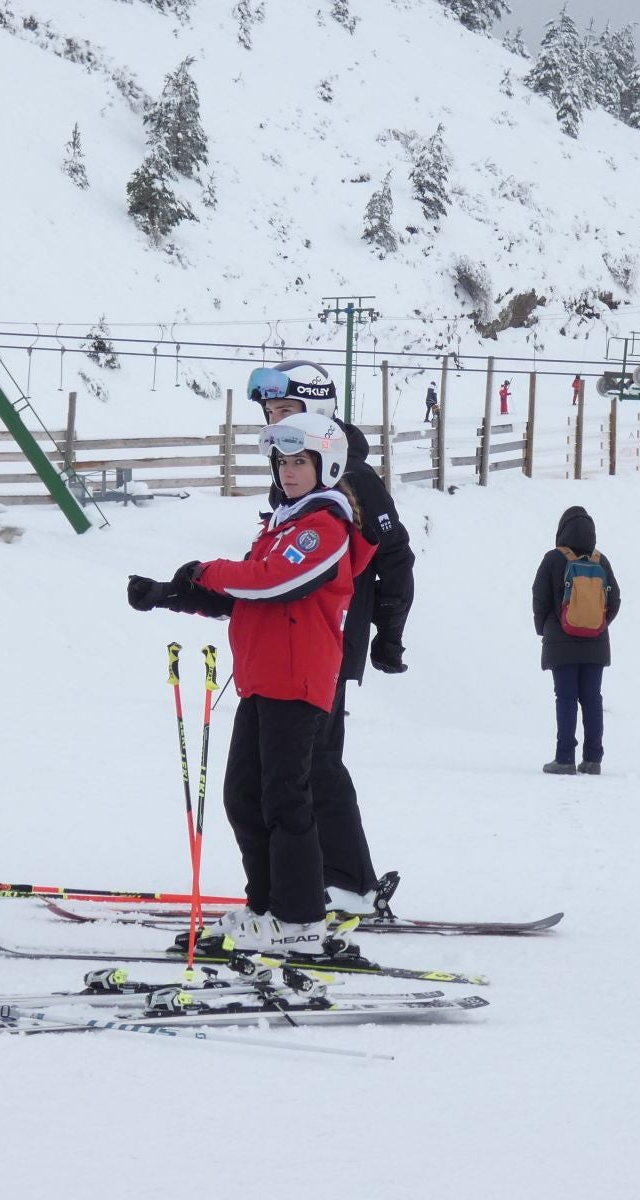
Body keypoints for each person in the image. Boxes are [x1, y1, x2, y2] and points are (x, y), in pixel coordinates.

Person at [126, 410, 376, 957]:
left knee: (286, 800)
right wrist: (171, 592)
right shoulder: (283, 525)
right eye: (283, 462)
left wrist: (208, 570)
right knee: (244, 797)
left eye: (300, 463)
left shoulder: (326, 528)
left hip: (299, 682)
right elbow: (241, 594)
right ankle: (266, 909)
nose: (288, 473)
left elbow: (272, 584)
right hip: (263, 681)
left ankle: (301, 919)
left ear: (325, 466)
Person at [244, 360, 413, 917]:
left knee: (315, 764)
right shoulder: (293, 477)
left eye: (286, 413)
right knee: (296, 767)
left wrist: (389, 635)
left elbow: (395, 556)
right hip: (295, 642)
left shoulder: (352, 478)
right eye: (270, 417)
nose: (278, 429)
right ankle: (313, 879)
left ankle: (348, 882)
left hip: (330, 639)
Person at [531, 506, 620, 775]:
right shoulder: (600, 561)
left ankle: (565, 758)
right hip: (596, 643)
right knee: (592, 698)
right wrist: (599, 625)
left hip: (561, 643)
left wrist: (545, 628)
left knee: (566, 698)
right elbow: (614, 600)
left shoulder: (553, 559)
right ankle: (593, 759)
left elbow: (540, 598)